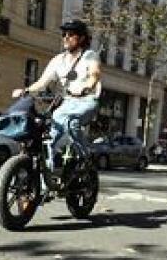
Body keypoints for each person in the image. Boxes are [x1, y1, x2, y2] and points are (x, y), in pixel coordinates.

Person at [12, 19, 101, 163]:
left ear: (82, 38)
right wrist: (26, 90)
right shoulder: (58, 60)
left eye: (71, 34)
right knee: (48, 140)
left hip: (86, 101)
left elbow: (94, 74)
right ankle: (45, 181)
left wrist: (87, 87)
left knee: (72, 123)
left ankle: (85, 157)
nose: (66, 37)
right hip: (66, 104)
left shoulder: (89, 56)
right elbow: (42, 82)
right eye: (64, 34)